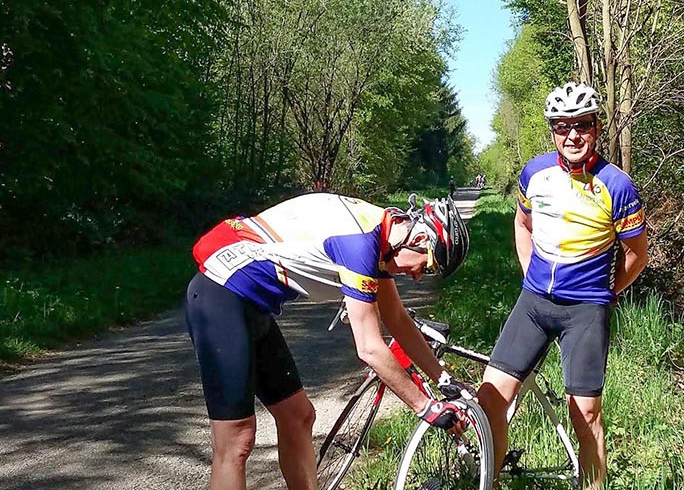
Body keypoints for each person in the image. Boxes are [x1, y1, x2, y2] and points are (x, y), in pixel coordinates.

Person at [184, 192, 471, 490]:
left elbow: (397, 319)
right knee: (236, 441)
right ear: (418, 237)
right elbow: (370, 348)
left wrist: (443, 377)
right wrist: (426, 407)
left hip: (250, 306)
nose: (416, 277)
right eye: (426, 266)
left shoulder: (378, 238)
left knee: (299, 416)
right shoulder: (359, 243)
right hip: (219, 296)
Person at [476, 82, 649, 489]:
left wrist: (607, 293)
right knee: (490, 399)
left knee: (585, 413)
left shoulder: (617, 184)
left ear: (597, 128)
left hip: (585, 311)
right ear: (552, 130)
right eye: (561, 126)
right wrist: (528, 274)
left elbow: (637, 254)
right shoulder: (534, 173)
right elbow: (522, 223)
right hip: (534, 304)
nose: (572, 135)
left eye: (583, 125)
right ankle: (491, 481)